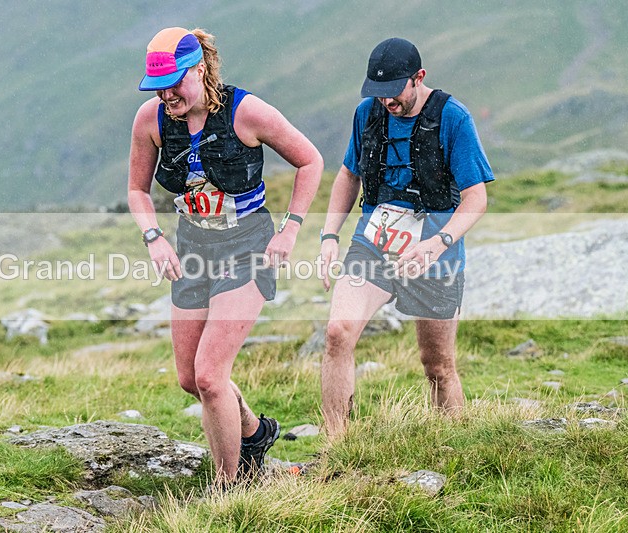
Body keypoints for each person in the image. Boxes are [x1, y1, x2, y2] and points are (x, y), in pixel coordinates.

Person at [128, 27, 322, 484]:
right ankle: (253, 433)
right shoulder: (150, 120)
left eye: (175, 82)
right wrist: (154, 236)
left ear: (199, 69)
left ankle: (229, 487)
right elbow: (136, 190)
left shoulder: (246, 112)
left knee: (211, 376)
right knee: (189, 379)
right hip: (193, 249)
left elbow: (310, 161)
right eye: (158, 87)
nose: (166, 95)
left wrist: (290, 230)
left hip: (247, 247)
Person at [319, 38, 494, 437]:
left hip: (435, 253)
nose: (386, 102)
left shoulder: (454, 117)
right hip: (374, 243)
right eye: (377, 93)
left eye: (394, 91)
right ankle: (337, 448)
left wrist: (438, 243)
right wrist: (330, 234)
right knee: (336, 333)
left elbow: (476, 198)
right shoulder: (367, 114)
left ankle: (455, 448)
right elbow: (349, 174)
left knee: (437, 366)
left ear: (419, 77)